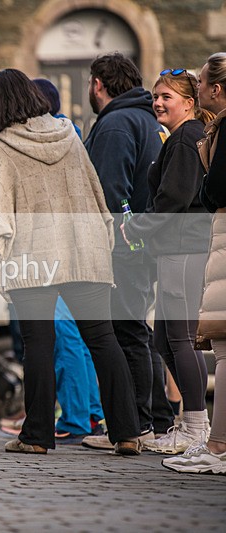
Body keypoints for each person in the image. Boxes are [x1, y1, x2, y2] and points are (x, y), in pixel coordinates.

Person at [0, 68, 141, 455]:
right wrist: (102, 244)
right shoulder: (70, 136)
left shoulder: (1, 150)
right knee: (103, 339)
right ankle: (127, 432)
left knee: (38, 344)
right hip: (84, 252)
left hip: (32, 258)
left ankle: (36, 436)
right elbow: (97, 197)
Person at [122, 68, 214, 454]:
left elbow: (173, 198)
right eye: (156, 96)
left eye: (167, 97)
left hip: (184, 247)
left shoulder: (186, 138)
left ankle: (195, 426)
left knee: (179, 337)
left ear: (189, 104)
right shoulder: (180, 137)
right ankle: (193, 423)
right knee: (164, 338)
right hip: (175, 246)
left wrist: (137, 228)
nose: (158, 103)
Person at [82, 53, 166, 450]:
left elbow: (110, 192)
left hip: (124, 246)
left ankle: (137, 425)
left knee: (126, 331)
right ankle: (156, 421)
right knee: (138, 331)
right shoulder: (146, 119)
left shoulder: (116, 123)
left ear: (98, 84)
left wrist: (114, 241)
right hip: (142, 243)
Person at [164, 51, 226, 475]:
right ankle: (208, 436)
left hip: (193, 242)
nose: (198, 86)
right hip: (200, 242)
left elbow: (208, 191)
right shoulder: (204, 131)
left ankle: (209, 438)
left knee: (210, 344)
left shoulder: (198, 134)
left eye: (201, 82)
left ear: (214, 90)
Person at [33, 77, 105, 441]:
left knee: (64, 334)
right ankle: (91, 412)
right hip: (79, 244)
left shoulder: (50, 141)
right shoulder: (72, 135)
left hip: (57, 247)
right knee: (79, 332)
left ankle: (75, 417)